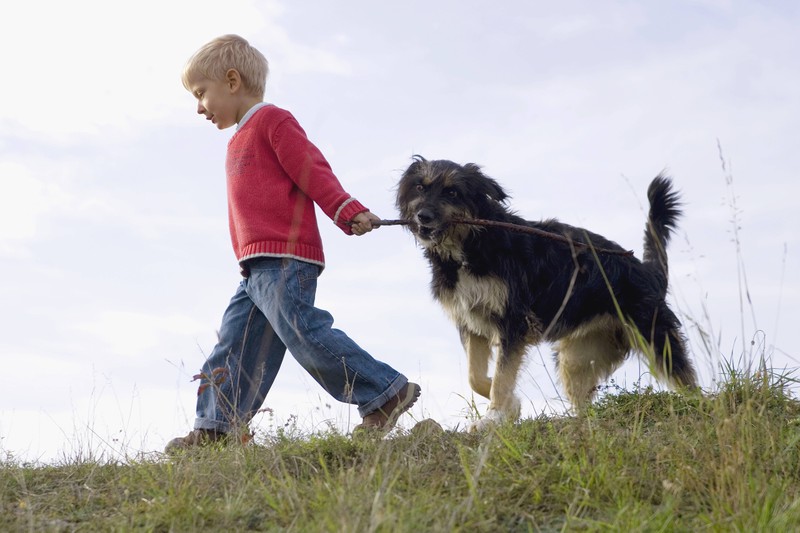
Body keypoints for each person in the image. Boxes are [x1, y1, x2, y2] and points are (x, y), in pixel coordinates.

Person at [166, 34, 420, 453]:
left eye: (200, 93)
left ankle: (385, 392)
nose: (198, 107)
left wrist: (345, 208)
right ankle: (216, 429)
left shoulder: (272, 121)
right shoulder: (237, 139)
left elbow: (311, 168)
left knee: (305, 333)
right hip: (254, 268)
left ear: (231, 81)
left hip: (285, 257)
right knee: (233, 345)